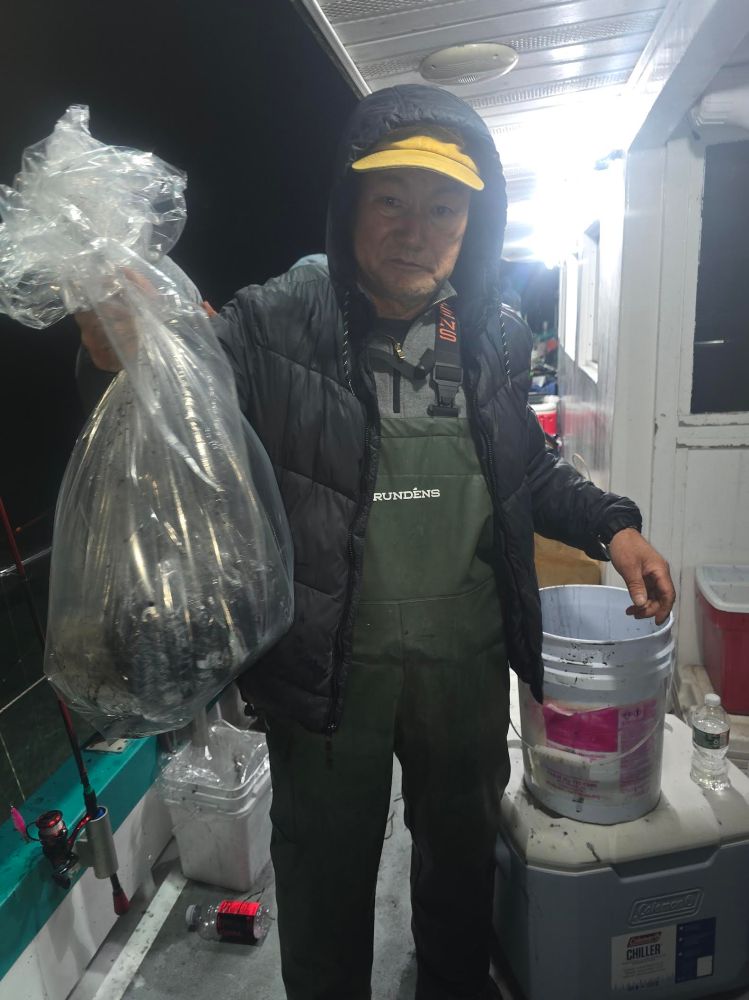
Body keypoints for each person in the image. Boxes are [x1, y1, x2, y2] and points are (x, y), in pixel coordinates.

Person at [76, 85, 675, 1000]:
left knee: (461, 858)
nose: (414, 230)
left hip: (464, 660)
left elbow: (526, 466)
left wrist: (612, 525)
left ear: (471, 224)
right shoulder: (278, 319)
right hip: (327, 669)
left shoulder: (490, 334)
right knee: (323, 873)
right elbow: (177, 406)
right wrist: (118, 352)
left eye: (443, 208)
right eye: (390, 199)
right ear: (350, 204)